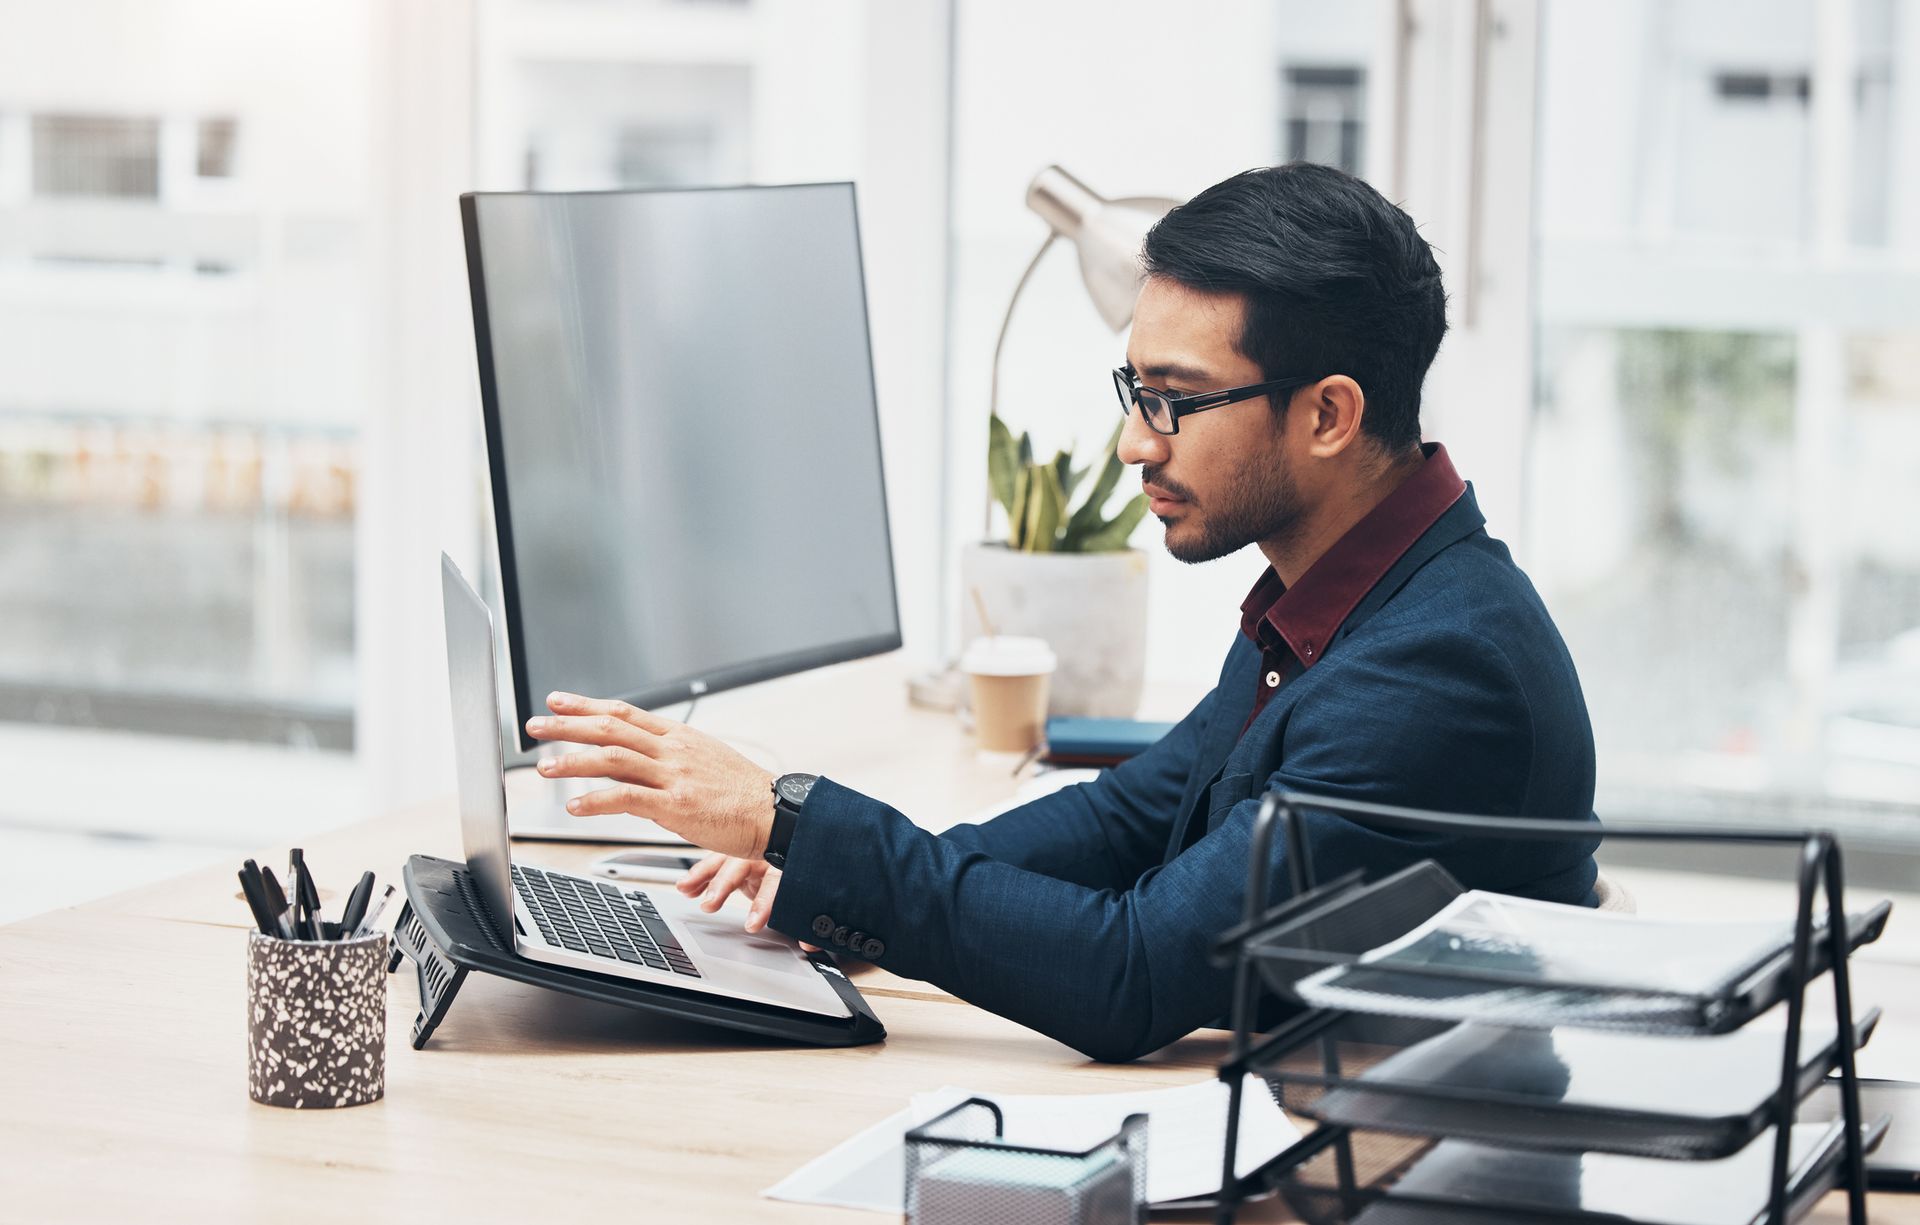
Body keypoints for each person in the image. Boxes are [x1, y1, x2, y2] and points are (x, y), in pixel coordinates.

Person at [522, 162, 1600, 1062]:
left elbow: (1131, 976)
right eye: (1133, 392)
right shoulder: (1346, 593)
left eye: (1175, 399)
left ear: (1328, 414)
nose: (1138, 441)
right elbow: (1132, 819)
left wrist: (793, 817)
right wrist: (830, 879)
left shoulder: (1436, 673)